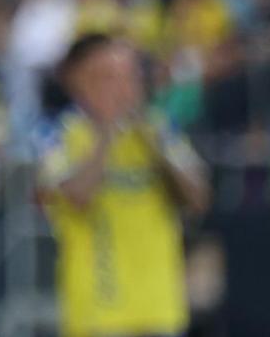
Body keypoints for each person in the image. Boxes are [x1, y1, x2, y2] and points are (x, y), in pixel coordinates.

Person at [39, 34, 209, 337]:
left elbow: (198, 199)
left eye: (130, 76)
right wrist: (106, 134)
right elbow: (77, 195)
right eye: (108, 78)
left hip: (160, 310)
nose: (124, 88)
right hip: (97, 316)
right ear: (80, 83)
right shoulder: (60, 135)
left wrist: (154, 144)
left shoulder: (159, 131)